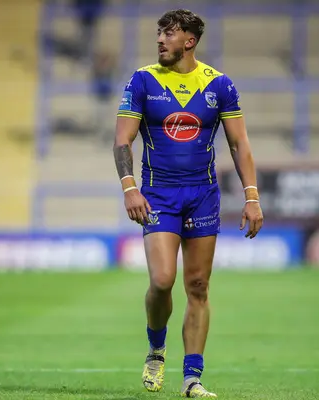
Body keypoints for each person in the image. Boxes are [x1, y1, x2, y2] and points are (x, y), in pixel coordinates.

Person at [112, 9, 263, 398]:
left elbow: (239, 143)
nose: (160, 39)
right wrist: (130, 187)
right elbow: (122, 140)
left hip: (203, 195)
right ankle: (156, 349)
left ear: (189, 41)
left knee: (198, 286)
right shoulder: (143, 80)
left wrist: (251, 197)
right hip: (159, 194)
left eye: (168, 33)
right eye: (159, 32)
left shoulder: (219, 84)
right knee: (162, 281)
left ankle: (192, 378)